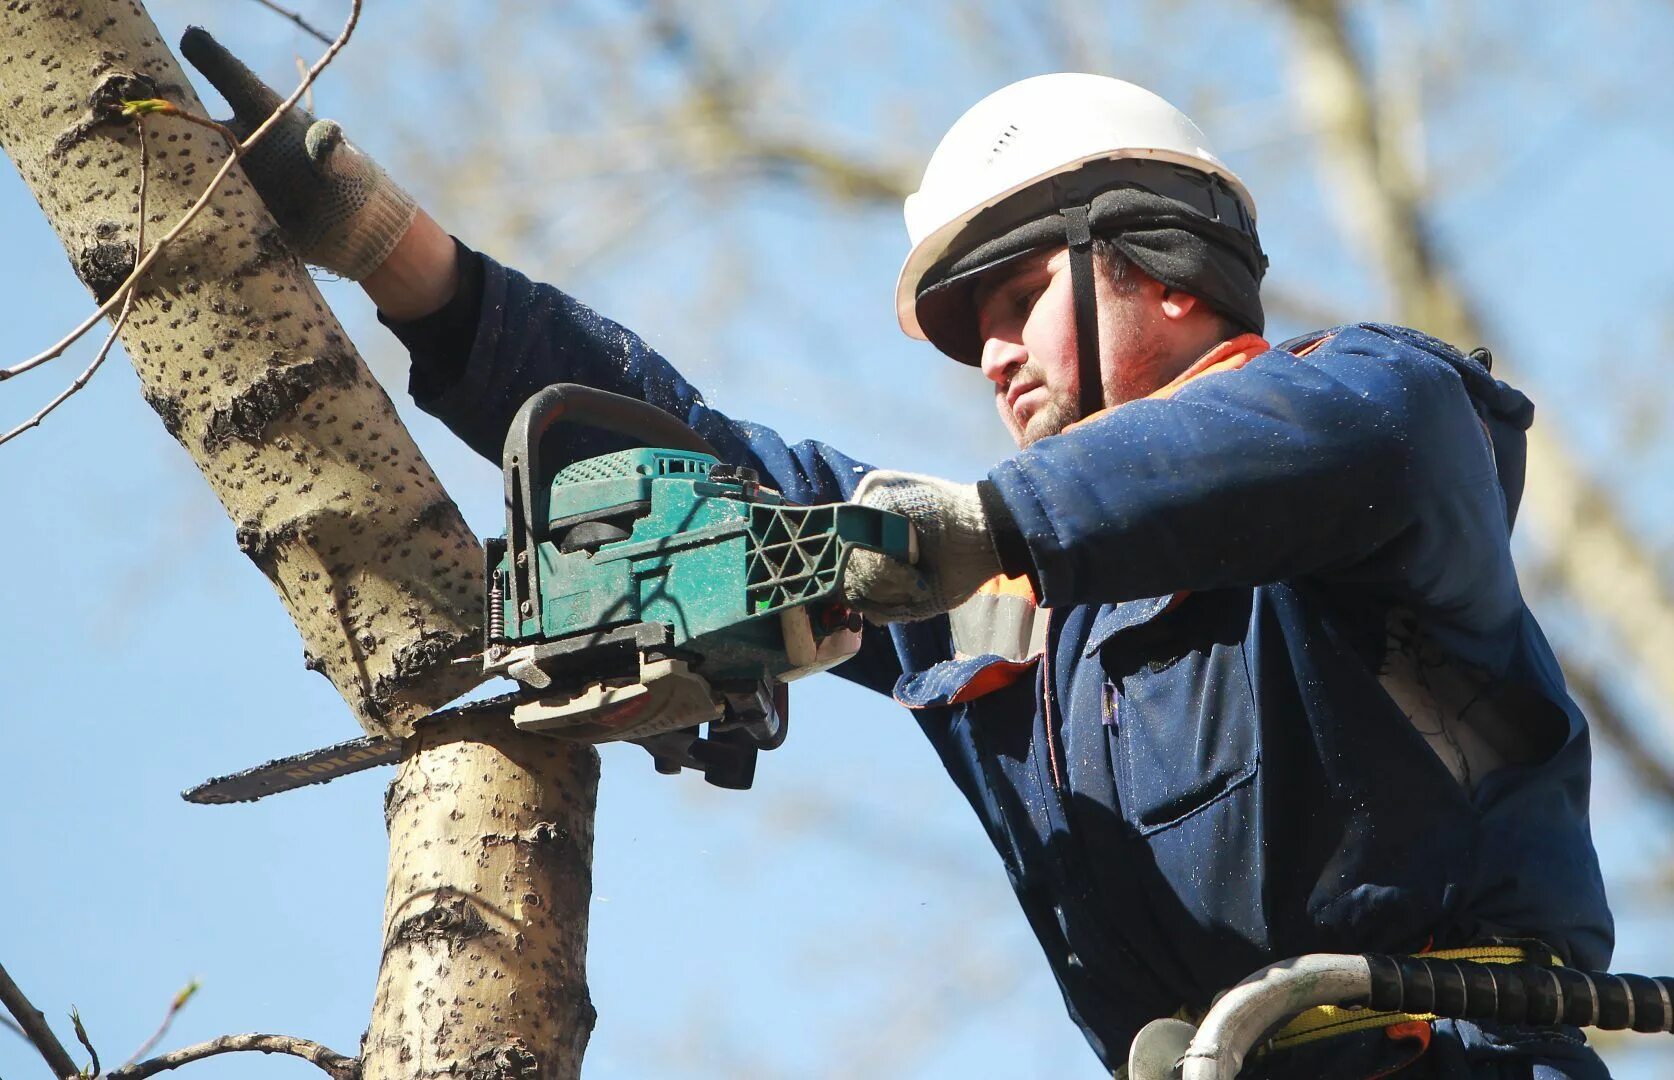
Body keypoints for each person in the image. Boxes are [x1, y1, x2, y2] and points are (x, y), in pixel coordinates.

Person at [182, 30, 1614, 1079]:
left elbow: (1369, 425)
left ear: (1157, 263)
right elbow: (717, 466)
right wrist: (395, 258)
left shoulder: (1376, 429)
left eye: (1007, 301)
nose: (988, 358)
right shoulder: (1003, 620)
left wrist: (970, 527)